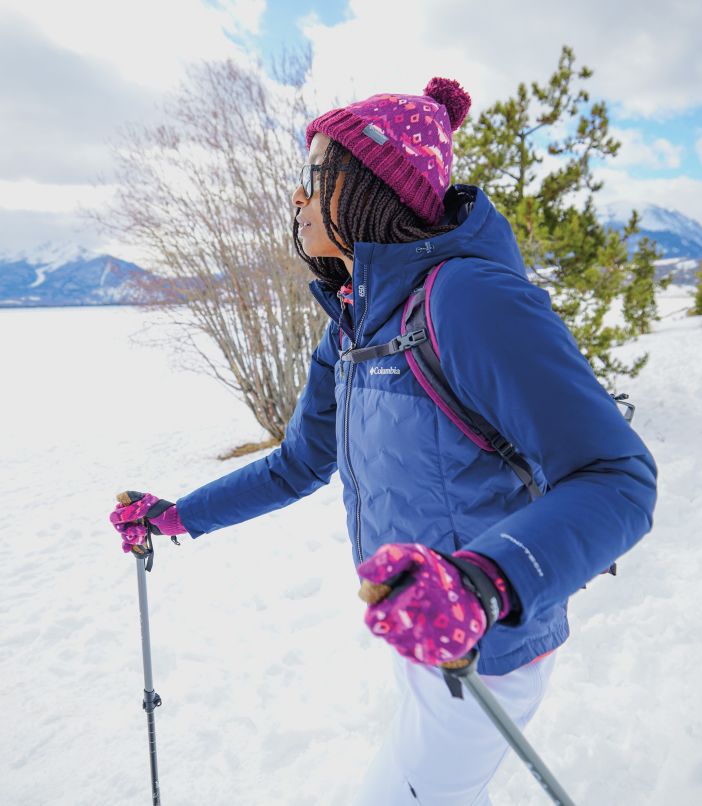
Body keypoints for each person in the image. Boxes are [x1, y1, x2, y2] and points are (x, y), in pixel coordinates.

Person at [109, 77, 657, 805]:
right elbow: (298, 463)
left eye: (313, 177)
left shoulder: (466, 298)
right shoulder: (356, 326)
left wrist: (480, 582)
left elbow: (618, 477)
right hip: (420, 629)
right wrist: (177, 516)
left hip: (485, 644)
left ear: (371, 186)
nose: (296, 199)